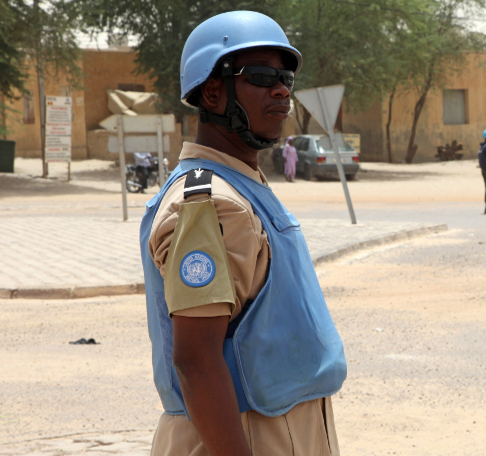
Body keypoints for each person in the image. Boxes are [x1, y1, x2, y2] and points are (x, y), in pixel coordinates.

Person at [138, 11, 346, 456]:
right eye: (261, 76)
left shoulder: (241, 184)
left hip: (284, 423)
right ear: (213, 92)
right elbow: (195, 360)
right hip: (246, 434)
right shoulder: (211, 202)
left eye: (285, 77)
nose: (281, 90)